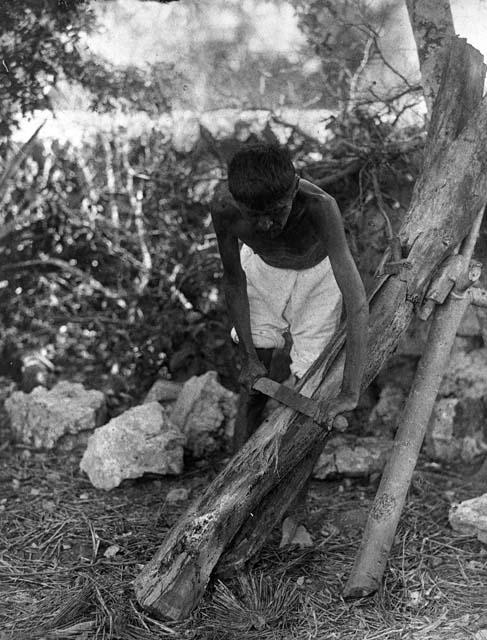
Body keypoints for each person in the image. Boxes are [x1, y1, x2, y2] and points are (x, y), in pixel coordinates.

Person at [211, 143, 368, 530]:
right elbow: (233, 280)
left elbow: (355, 297)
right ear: (236, 200)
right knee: (251, 387)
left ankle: (292, 513)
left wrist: (350, 389)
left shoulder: (320, 205)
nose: (265, 226)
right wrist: (248, 355)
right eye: (255, 217)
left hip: (319, 278)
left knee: (310, 393)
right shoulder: (225, 207)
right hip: (262, 273)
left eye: (276, 212)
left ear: (295, 187)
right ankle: (228, 500)